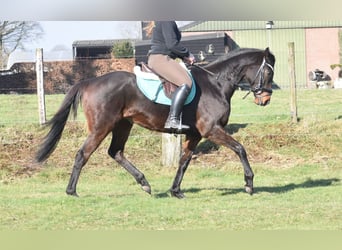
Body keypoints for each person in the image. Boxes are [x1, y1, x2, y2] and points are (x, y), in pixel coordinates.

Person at [145, 21, 196, 131]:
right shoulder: (167, 20)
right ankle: (173, 120)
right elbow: (172, 44)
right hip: (161, 59)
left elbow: (169, 46)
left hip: (161, 57)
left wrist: (183, 57)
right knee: (187, 82)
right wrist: (187, 53)